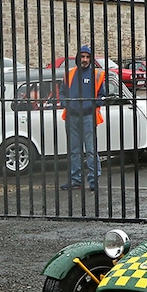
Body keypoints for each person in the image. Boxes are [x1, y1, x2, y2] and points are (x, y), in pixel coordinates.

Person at [59, 45, 106, 192]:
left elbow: (102, 96)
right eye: (82, 57)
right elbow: (62, 92)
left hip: (88, 116)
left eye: (87, 57)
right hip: (72, 117)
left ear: (90, 59)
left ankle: (93, 180)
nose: (84, 60)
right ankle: (75, 180)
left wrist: (91, 106)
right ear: (78, 58)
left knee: (91, 150)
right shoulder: (69, 74)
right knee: (74, 150)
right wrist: (66, 103)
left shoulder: (96, 75)